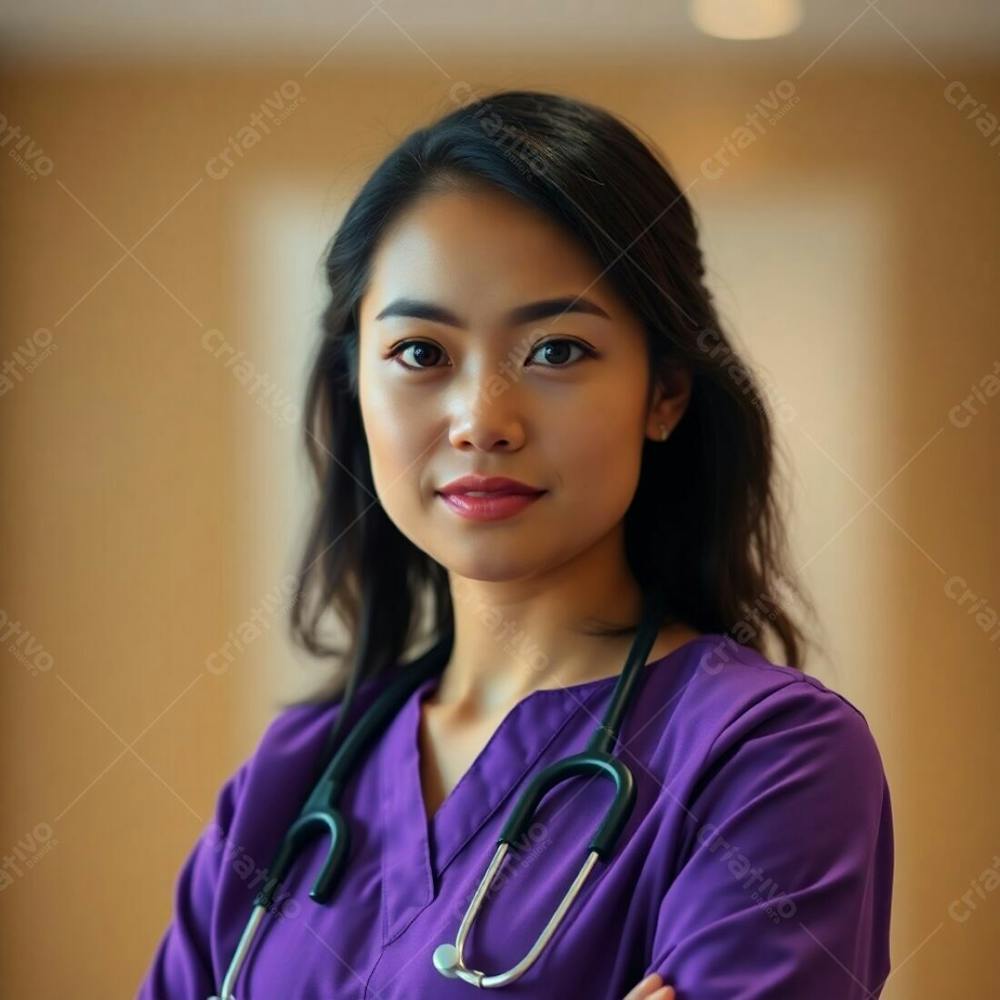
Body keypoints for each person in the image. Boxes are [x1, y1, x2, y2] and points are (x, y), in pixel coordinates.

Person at [137, 88, 893, 999]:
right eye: (421, 353)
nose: (482, 421)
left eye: (557, 351)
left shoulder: (771, 760)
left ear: (666, 394)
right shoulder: (288, 782)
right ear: (354, 390)